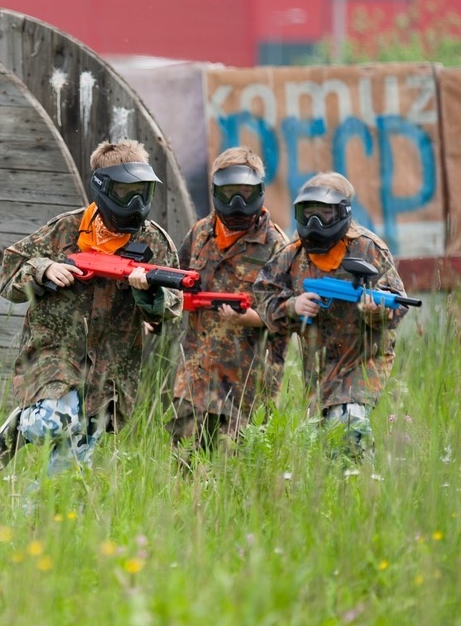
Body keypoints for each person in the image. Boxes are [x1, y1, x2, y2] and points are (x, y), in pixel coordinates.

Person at [0, 139, 183, 480]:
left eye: (142, 191)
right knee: (51, 423)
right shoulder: (65, 229)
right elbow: (10, 274)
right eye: (125, 192)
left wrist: (148, 292)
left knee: (69, 471)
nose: (135, 202)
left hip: (111, 367)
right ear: (102, 188)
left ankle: (37, 526)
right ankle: (22, 423)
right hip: (54, 352)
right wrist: (43, 269)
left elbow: (171, 305)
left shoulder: (156, 243)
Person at [254, 172, 409, 462]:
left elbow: (398, 304)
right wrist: (293, 306)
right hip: (318, 363)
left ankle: (363, 481)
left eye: (323, 214)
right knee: (321, 439)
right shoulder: (292, 254)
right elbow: (262, 294)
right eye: (307, 214)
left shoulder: (369, 248)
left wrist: (376, 312)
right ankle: (340, 492)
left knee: (349, 419)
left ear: (342, 213)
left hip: (365, 357)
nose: (314, 223)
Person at [166, 147, 289, 465]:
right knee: (185, 464)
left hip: (248, 382)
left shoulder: (277, 246)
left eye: (245, 193)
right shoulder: (199, 234)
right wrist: (155, 310)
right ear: (216, 191)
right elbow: (175, 282)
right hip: (196, 373)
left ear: (259, 191)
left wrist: (255, 318)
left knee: (236, 468)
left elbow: (296, 311)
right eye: (229, 193)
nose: (237, 202)